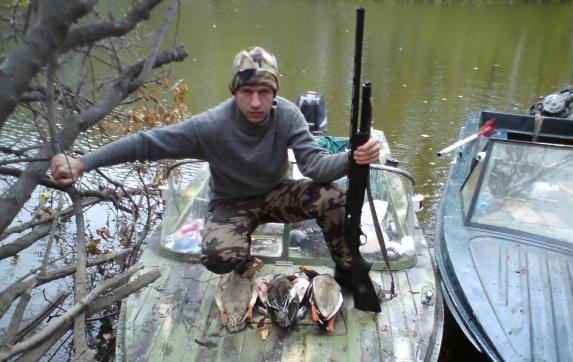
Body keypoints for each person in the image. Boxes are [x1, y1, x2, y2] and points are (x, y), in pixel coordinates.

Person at [50, 46, 380, 286]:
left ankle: (347, 269)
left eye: (264, 92)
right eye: (247, 91)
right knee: (218, 257)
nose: (256, 102)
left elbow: (315, 167)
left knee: (332, 196)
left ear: (274, 92)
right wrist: (84, 162)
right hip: (232, 203)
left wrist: (352, 158)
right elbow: (145, 143)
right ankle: (243, 260)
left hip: (278, 192)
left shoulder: (289, 115)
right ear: (235, 91)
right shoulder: (210, 126)